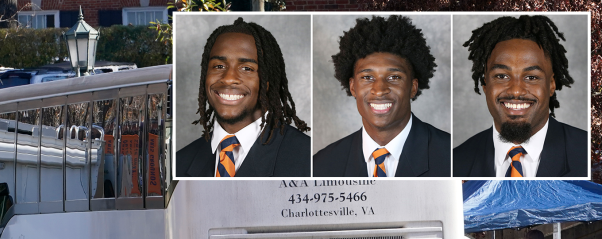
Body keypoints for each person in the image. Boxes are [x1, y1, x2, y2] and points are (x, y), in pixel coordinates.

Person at [313, 15, 450, 178]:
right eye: (367, 77)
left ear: (413, 88)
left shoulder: (451, 157)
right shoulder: (322, 165)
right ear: (353, 87)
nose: (379, 90)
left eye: (394, 77)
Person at [453, 15, 587, 178]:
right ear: (485, 85)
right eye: (502, 76)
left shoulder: (589, 156)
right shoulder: (455, 163)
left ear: (551, 85)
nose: (516, 91)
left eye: (531, 77)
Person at [176, 17, 311, 177]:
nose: (228, 78)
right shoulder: (180, 162)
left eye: (246, 68)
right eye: (219, 66)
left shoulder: (307, 160)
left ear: (267, 82)